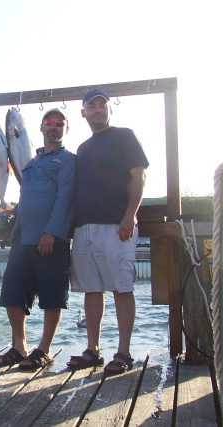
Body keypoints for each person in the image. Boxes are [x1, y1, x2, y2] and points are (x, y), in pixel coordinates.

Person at [67, 89, 149, 375]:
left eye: (103, 105)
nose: (98, 109)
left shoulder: (125, 135)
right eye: (92, 106)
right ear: (84, 113)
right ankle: (93, 349)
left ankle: (124, 353)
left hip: (117, 227)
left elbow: (139, 176)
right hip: (83, 229)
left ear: (110, 110)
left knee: (122, 288)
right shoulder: (83, 148)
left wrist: (130, 215)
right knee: (92, 289)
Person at [0, 108, 76, 370]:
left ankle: (44, 349)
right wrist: (10, 214)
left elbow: (65, 199)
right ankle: (19, 347)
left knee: (52, 296)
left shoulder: (69, 161)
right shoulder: (30, 163)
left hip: (52, 240)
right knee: (13, 294)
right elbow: (26, 197)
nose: (54, 127)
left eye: (59, 124)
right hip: (23, 239)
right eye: (49, 123)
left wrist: (51, 232)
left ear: (65, 129)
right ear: (40, 128)